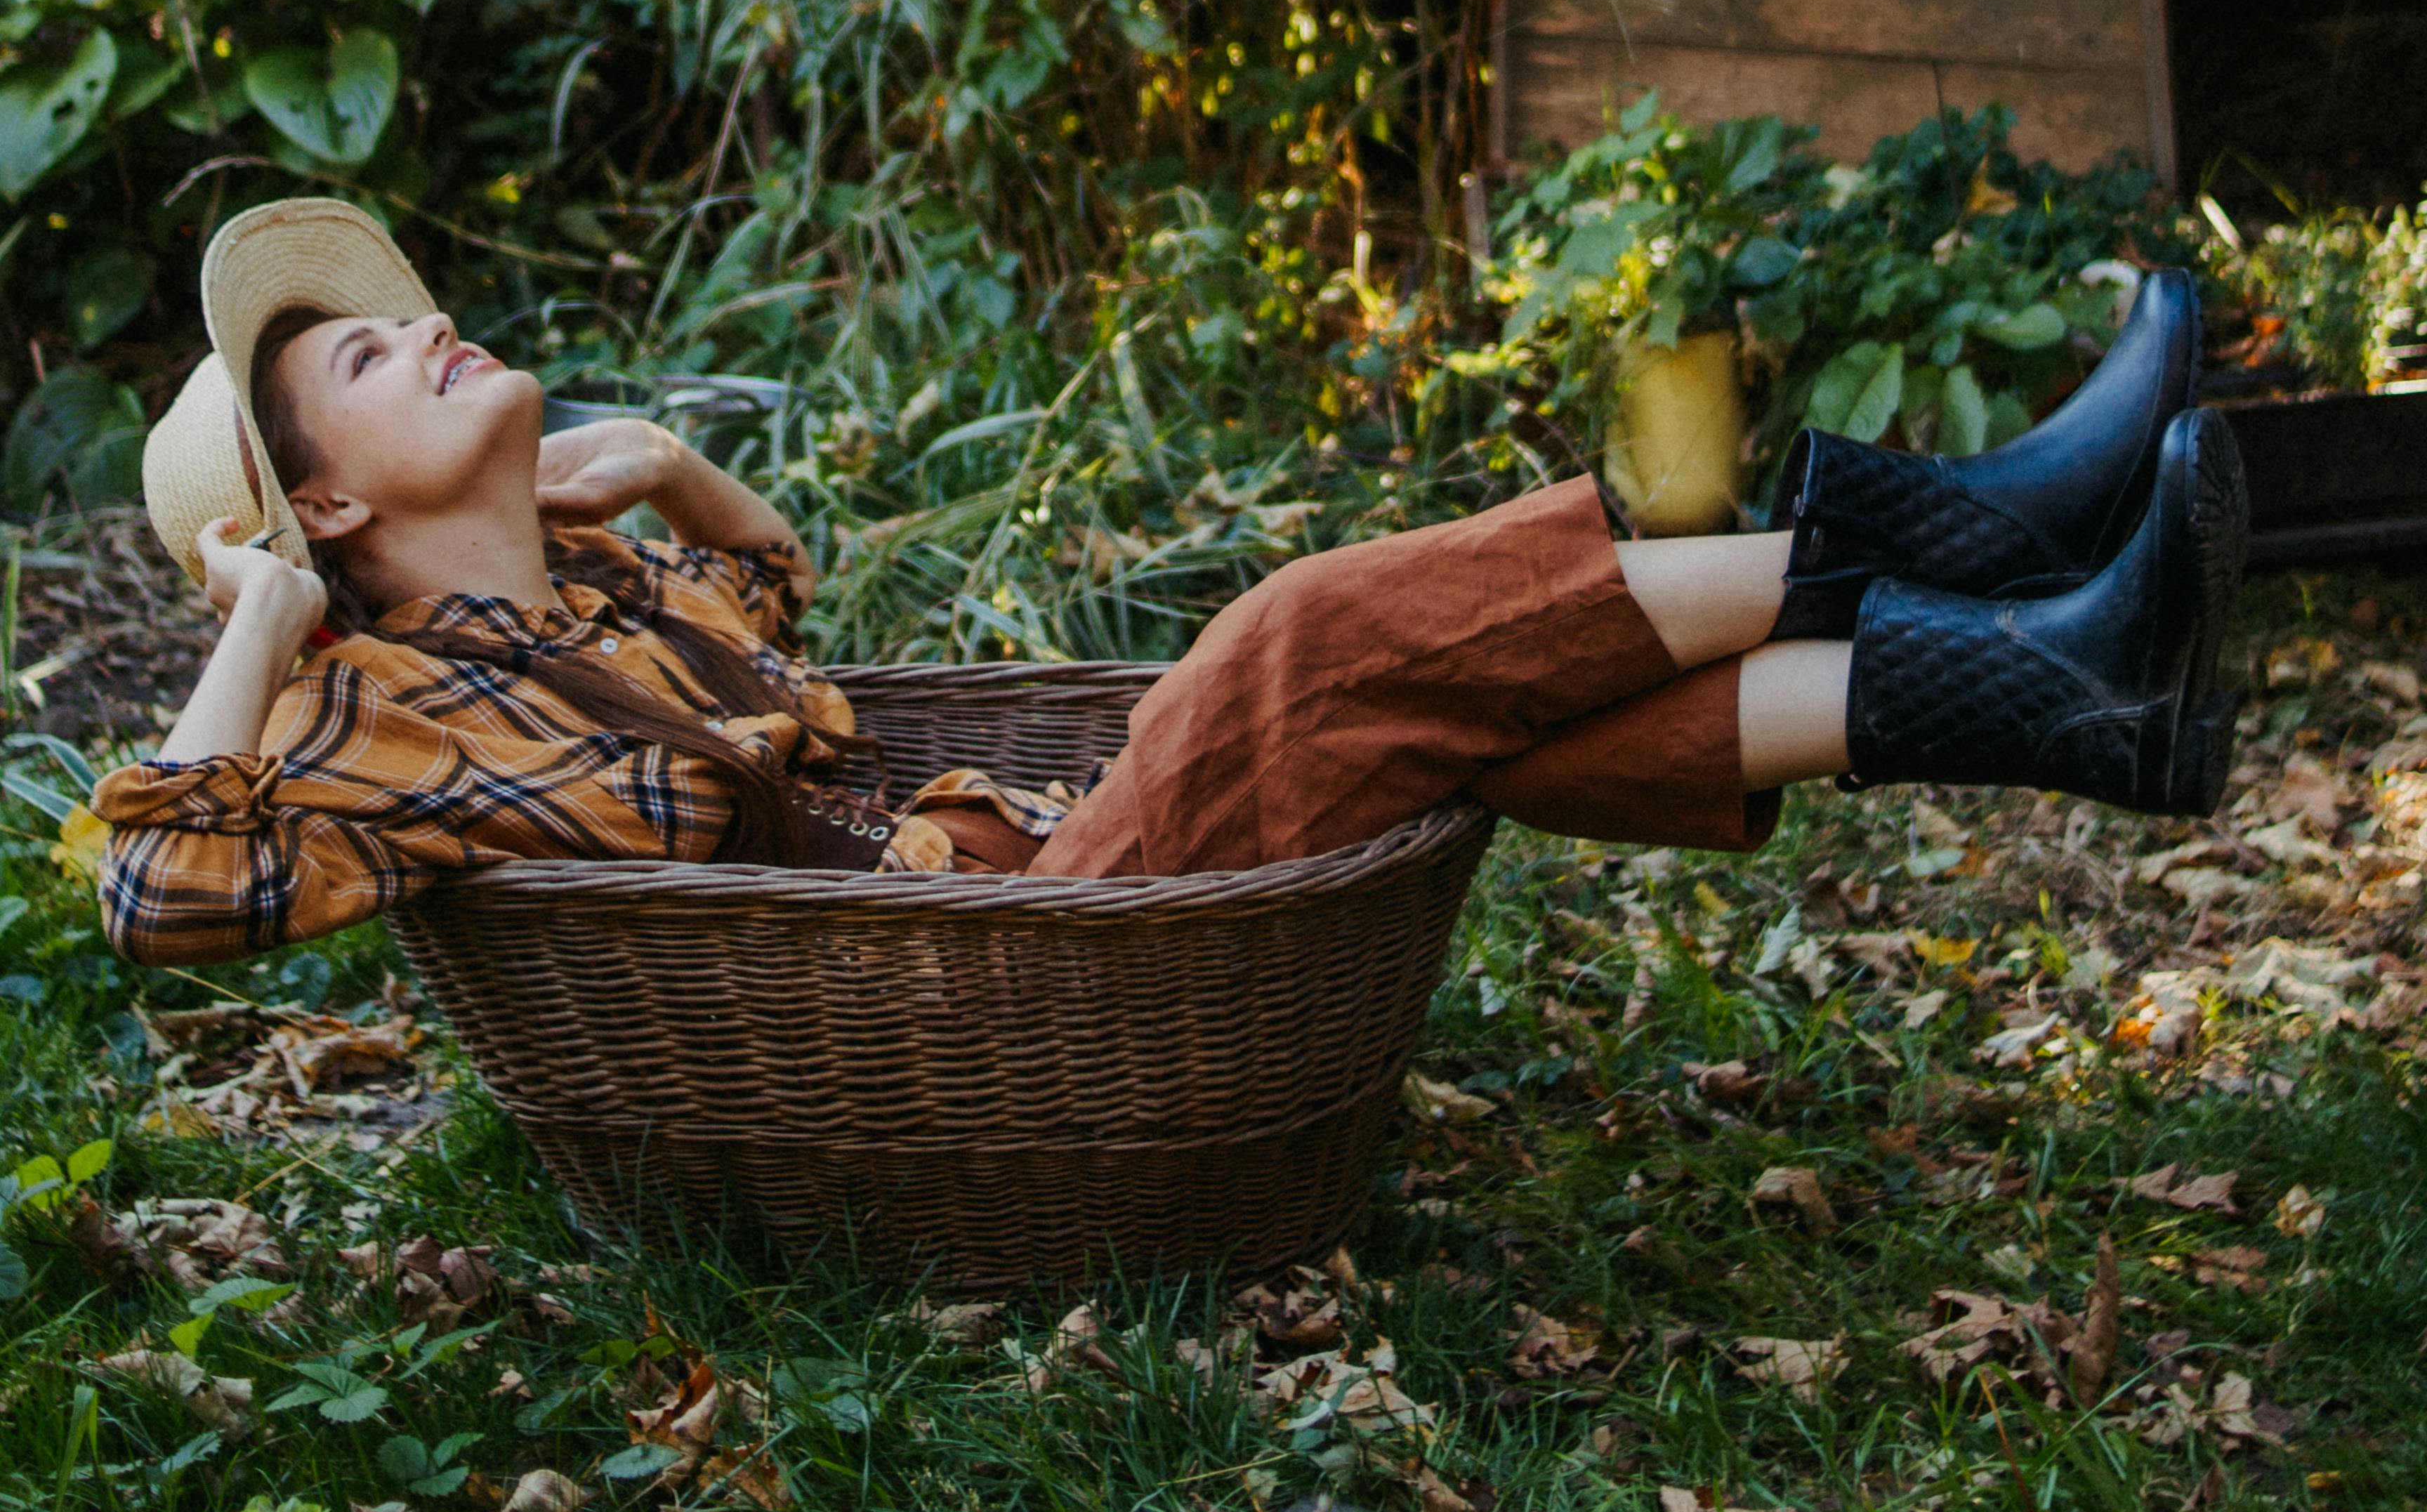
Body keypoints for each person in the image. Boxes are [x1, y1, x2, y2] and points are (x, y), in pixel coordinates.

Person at [96, 197, 2243, 964]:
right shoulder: (383, 721)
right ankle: (1995, 534)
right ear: (334, 513)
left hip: (1030, 879)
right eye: (374, 360)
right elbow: (158, 898)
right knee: (1302, 640)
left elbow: (787, 627)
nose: (430, 329)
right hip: (996, 975)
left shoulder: (623, 614)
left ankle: (2078, 694)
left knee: (1488, 719)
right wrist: (268, 620)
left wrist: (679, 482)